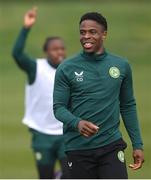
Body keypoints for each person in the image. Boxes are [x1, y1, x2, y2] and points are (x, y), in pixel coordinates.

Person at [53, 12, 144, 179]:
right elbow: (58, 108)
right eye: (82, 32)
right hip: (78, 148)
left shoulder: (121, 66)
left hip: (111, 145)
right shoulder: (66, 68)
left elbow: (127, 105)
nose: (86, 36)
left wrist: (137, 144)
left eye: (92, 32)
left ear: (104, 34)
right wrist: (77, 123)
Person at [12, 7, 68, 179]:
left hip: (66, 133)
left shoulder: (70, 69)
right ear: (46, 52)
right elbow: (17, 54)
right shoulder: (36, 67)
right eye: (54, 49)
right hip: (42, 134)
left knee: (74, 174)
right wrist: (26, 28)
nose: (59, 52)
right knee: (45, 176)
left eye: (61, 48)